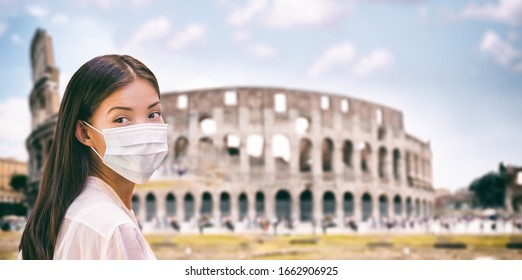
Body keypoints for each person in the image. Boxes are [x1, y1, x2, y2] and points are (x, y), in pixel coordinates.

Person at [18, 54, 168, 260]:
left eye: (153, 114)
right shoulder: (115, 229)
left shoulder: (51, 220)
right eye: (121, 119)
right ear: (85, 133)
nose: (143, 131)